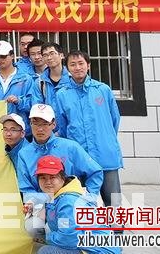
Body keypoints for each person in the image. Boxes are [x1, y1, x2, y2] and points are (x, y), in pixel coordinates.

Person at [54, 50, 123, 209]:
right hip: (79, 156)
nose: (77, 67)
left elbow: (114, 119)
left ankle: (115, 225)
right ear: (67, 68)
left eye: (81, 63)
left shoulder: (103, 90)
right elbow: (62, 126)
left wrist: (106, 138)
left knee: (113, 201)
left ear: (88, 66)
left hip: (105, 153)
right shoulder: (62, 94)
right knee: (80, 201)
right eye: (73, 64)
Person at [33, 155, 121, 254]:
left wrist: (44, 238)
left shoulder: (68, 202)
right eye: (43, 178)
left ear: (62, 178)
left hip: (100, 251)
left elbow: (69, 239)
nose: (48, 182)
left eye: (53, 177)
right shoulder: (56, 196)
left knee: (46, 251)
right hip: (89, 247)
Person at [17, 104, 103, 198]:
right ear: (30, 124)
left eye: (45, 123)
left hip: (70, 201)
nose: (40, 128)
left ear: (54, 124)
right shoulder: (24, 154)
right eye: (35, 123)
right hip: (41, 204)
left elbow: (95, 172)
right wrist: (42, 203)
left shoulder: (70, 147)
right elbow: (26, 188)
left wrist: (89, 198)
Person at [0, 40, 36, 134]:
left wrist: (19, 101)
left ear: (12, 55)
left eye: (3, 56)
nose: (0, 60)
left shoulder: (26, 78)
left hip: (20, 129)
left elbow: (33, 104)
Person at [33, 42, 70, 114]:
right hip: (48, 120)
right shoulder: (40, 82)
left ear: (61, 55)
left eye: (52, 53)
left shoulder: (72, 78)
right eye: (45, 55)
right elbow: (37, 107)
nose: (49, 58)